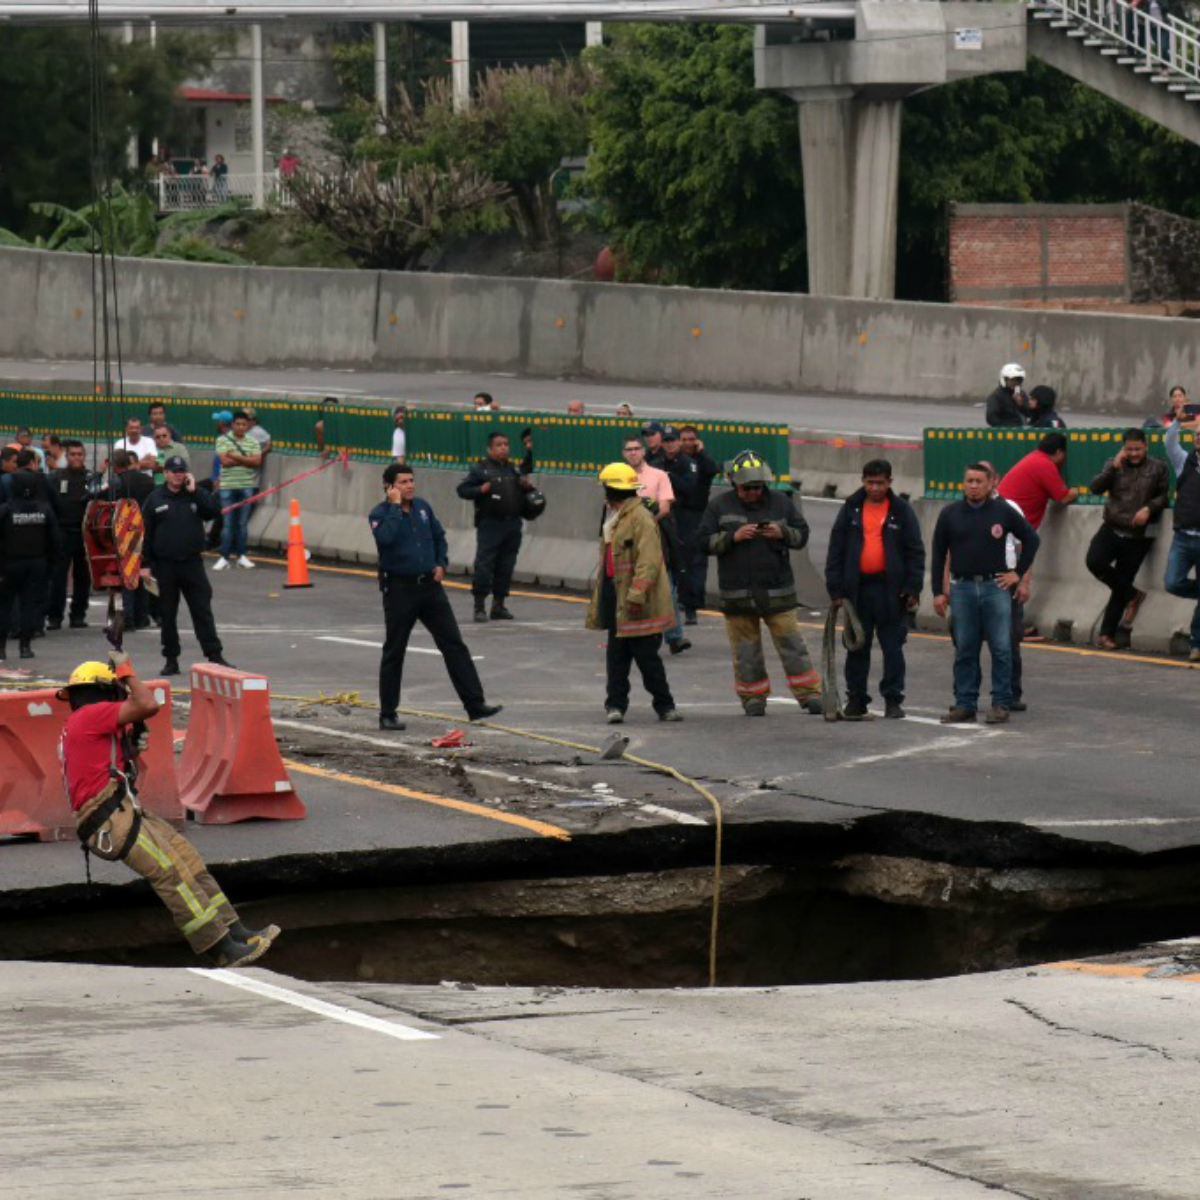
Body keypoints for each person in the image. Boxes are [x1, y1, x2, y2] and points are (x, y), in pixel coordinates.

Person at [60, 652, 278, 967]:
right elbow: (148, 704)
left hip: (119, 809)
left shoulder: (85, 722)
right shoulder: (91, 715)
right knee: (170, 873)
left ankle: (235, 932)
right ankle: (220, 948)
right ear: (106, 692)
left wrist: (130, 748)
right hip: (109, 817)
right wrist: (126, 670)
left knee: (186, 859)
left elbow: (111, 767)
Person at [369, 464, 502, 731]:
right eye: (403, 482)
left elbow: (439, 537)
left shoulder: (423, 508)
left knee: (454, 645)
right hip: (400, 590)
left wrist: (441, 562)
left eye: (411, 481)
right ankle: (388, 713)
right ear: (388, 486)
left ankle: (475, 704)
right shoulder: (380, 513)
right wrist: (395, 507)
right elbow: (385, 539)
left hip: (430, 589)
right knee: (394, 651)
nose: (410, 486)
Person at [697, 451, 821, 717]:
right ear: (734, 482)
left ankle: (810, 694)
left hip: (777, 591)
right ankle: (753, 697)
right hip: (738, 593)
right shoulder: (719, 506)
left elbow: (801, 535)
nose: (753, 492)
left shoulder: (781, 503)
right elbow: (703, 541)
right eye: (747, 488)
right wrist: (732, 537)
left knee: (792, 645)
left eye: (757, 487)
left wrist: (782, 532)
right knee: (746, 650)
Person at [930, 464, 1040, 725]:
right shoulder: (950, 514)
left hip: (995, 587)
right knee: (965, 648)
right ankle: (965, 704)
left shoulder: (1003, 511)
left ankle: (1001, 703)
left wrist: (1017, 574)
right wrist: (938, 591)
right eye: (969, 480)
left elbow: (1032, 539)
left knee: (1001, 647)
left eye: (979, 481)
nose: (973, 486)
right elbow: (938, 554)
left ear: (991, 483)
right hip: (962, 588)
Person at [824, 460, 925, 720]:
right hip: (858, 591)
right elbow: (836, 549)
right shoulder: (851, 508)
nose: (875, 488)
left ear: (889, 482)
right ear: (863, 481)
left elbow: (915, 551)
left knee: (893, 647)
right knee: (857, 647)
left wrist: (912, 588)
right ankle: (856, 699)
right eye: (870, 482)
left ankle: (893, 698)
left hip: (891, 592)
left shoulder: (901, 511)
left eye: (880, 483)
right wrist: (835, 590)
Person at [584, 463, 681, 724]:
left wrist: (636, 595)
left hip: (637, 601)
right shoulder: (613, 516)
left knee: (647, 659)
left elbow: (648, 562)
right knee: (616, 659)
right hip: (616, 597)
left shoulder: (640, 519)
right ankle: (615, 705)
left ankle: (665, 705)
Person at [141, 457, 232, 676]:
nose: (178, 475)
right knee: (167, 614)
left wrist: (196, 491)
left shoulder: (194, 494)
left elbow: (215, 511)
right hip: (165, 566)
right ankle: (171, 659)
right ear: (165, 473)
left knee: (202, 611)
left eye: (181, 471)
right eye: (174, 471)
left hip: (192, 563)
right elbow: (145, 534)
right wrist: (144, 564)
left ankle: (214, 655)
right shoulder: (155, 498)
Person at [1086, 428, 1169, 649]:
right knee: (1094, 561)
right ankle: (1133, 594)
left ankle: (1106, 634)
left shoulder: (1158, 467)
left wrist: (1148, 509)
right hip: (1112, 527)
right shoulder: (1113, 464)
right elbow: (1095, 488)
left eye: (1137, 449)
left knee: (1122, 581)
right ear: (1123, 448)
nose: (1133, 454)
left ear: (1145, 446)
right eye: (1129, 449)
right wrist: (1113, 468)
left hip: (1139, 535)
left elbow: (1163, 495)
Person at [456, 430, 534, 623]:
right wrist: (480, 489)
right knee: (485, 565)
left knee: (506, 565)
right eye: (499, 445)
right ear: (490, 449)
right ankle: (479, 606)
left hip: (512, 524)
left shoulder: (512, 469)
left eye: (506, 444)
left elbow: (526, 474)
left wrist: (525, 486)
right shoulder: (480, 469)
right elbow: (462, 490)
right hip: (490, 524)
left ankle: (498, 606)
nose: (504, 448)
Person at [0, 470, 61, 659]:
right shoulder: (44, 510)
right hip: (36, 564)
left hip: (8, 564)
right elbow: (55, 540)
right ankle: (25, 647)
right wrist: (51, 564)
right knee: (29, 605)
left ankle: (1, 649)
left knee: (4, 606)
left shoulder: (6, 510)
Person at [673, 424, 720, 622]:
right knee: (679, 560)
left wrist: (701, 452)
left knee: (697, 560)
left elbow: (713, 469)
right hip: (677, 514)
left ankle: (693, 604)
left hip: (698, 515)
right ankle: (681, 600)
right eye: (683, 440)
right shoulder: (676, 461)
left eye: (691, 439)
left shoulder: (702, 461)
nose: (687, 443)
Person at [1162, 415, 1200, 662]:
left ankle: (1196, 644)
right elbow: (1169, 443)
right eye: (1197, 435)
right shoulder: (1184, 461)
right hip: (1183, 538)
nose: (1199, 438)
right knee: (1172, 582)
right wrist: (1177, 421)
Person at [106, 450, 156, 631]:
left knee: (122, 576)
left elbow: (97, 498)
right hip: (145, 530)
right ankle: (143, 616)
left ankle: (125, 618)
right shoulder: (148, 480)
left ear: (115, 466)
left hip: (124, 532)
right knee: (141, 573)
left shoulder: (116, 482)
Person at [47, 439, 93, 631]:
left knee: (83, 577)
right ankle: (54, 617)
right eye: (72, 454)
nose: (76, 457)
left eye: (79, 454)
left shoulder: (92, 478)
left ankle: (78, 615)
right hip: (62, 533)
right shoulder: (55, 477)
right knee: (58, 577)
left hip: (84, 534)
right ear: (66, 456)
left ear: (84, 456)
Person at [997, 432, 1078, 530]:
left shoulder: (1034, 457)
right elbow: (1064, 497)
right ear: (1059, 452)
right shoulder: (1045, 464)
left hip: (1002, 515)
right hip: (1012, 522)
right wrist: (1076, 491)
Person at [213, 410, 262, 571]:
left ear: (248, 426)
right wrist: (246, 459)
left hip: (247, 485)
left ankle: (242, 556)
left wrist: (235, 456)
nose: (241, 427)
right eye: (238, 424)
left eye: (244, 424)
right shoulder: (222, 440)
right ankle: (224, 557)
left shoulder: (253, 442)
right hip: (227, 486)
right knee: (228, 524)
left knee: (242, 524)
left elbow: (257, 462)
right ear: (232, 425)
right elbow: (224, 461)